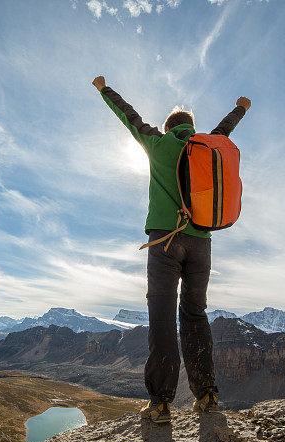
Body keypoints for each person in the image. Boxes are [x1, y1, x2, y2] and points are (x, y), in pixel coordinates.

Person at [92, 75, 250, 423]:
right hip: (201, 243)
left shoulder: (158, 143)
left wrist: (104, 89)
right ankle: (207, 397)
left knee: (162, 317)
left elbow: (128, 115)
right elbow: (225, 128)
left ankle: (161, 403)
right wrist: (240, 108)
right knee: (195, 316)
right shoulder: (209, 146)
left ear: (168, 128)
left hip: (164, 240)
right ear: (192, 129)